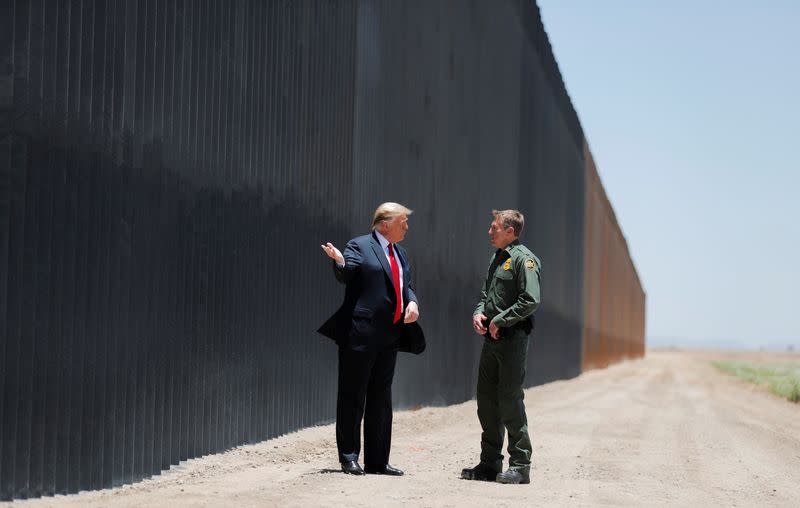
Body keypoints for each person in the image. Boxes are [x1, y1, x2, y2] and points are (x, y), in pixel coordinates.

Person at [318, 202, 425, 476]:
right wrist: (339, 260)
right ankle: (349, 456)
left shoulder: (400, 253)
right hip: (361, 334)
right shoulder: (359, 245)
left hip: (390, 335)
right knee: (353, 396)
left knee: (381, 398)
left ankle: (377, 461)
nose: (407, 227)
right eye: (403, 222)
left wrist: (412, 302)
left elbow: (406, 285)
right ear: (385, 223)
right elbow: (348, 272)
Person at [461, 209, 541, 485]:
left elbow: (530, 299)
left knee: (509, 400)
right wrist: (479, 312)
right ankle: (489, 463)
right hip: (491, 339)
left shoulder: (524, 260)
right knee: (486, 400)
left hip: (512, 340)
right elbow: (486, 295)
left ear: (510, 231)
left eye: (494, 227)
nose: (489, 231)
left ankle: (520, 466)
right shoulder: (497, 258)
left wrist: (501, 320)